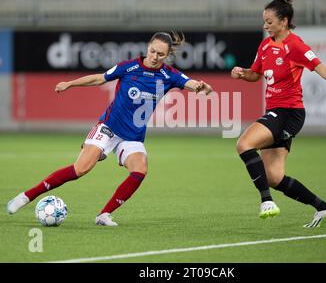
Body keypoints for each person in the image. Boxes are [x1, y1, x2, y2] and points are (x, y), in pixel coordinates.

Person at [7, 31, 213, 226]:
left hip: (132, 137)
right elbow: (99, 78)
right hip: (109, 128)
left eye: (160, 54)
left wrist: (203, 87)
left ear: (167, 56)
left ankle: (104, 215)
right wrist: (70, 84)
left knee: (140, 169)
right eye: (152, 51)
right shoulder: (129, 67)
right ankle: (26, 196)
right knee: (81, 169)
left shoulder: (171, 75)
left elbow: (193, 84)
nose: (155, 57)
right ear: (148, 47)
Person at [231, 0, 326, 228]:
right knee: (273, 177)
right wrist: (241, 73)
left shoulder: (295, 45)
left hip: (289, 113)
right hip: (274, 113)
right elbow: (255, 75)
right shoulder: (266, 46)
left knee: (244, 143)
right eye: (264, 22)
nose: (265, 26)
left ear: (284, 21)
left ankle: (266, 201)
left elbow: (323, 69)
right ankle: (325, 208)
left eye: (269, 21)